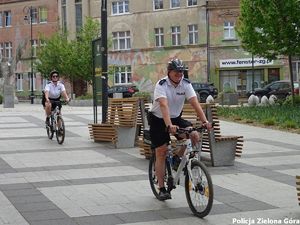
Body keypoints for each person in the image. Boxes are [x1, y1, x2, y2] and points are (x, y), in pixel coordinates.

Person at [149, 58, 212, 201]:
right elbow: (164, 106)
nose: (179, 74)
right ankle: (162, 188)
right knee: (161, 152)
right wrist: (169, 125)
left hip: (176, 118)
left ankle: (178, 158)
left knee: (194, 134)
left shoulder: (185, 84)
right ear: (169, 72)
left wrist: (205, 121)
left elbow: (195, 103)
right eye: (176, 71)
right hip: (158, 119)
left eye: (181, 71)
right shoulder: (162, 84)